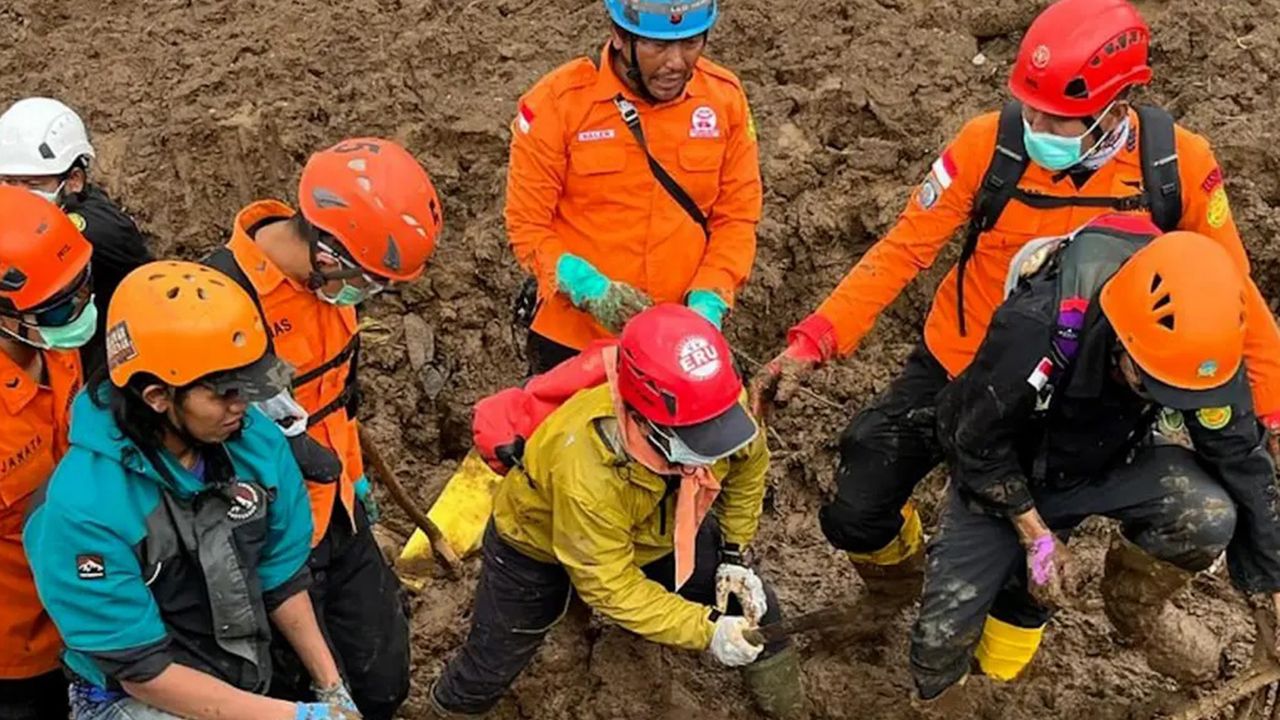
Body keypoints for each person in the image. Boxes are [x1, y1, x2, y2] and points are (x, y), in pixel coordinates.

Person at [748, 0, 1280, 629]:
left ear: (1116, 109)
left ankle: (1009, 653)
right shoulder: (988, 146)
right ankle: (895, 587)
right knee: (858, 499)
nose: (1036, 127)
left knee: (1030, 571)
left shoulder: (1174, 167)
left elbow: (1232, 292)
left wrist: (1273, 410)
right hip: (960, 360)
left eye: (1057, 118)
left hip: (1080, 393)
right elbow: (901, 251)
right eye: (1030, 108)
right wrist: (814, 342)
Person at [910, 218, 1280, 700]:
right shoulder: (1035, 329)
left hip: (1108, 462)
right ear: (1123, 337)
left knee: (1208, 514)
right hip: (1005, 473)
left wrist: (1272, 588)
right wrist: (1037, 535)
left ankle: (1128, 602)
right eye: (1150, 382)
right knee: (939, 642)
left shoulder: (1201, 353)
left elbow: (1241, 458)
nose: (1162, 397)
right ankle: (952, 697)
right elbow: (973, 441)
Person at [430, 305, 804, 718]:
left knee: (756, 608)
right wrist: (707, 630)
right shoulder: (587, 468)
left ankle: (790, 712)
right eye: (700, 440)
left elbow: (749, 464)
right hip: (535, 543)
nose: (713, 453)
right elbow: (610, 584)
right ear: (645, 420)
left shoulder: (715, 401)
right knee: (493, 660)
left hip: (658, 524)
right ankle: (450, 709)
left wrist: (733, 554)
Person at [23, 260, 360, 719]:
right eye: (224, 393)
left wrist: (331, 689)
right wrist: (297, 717)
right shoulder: (85, 510)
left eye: (246, 386)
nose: (242, 406)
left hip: (234, 662)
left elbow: (280, 574)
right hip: (136, 696)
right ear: (158, 397)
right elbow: (142, 669)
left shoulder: (255, 444)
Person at [201, 137, 443, 720]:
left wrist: (354, 481)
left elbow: (338, 398)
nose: (372, 295)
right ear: (330, 252)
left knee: (382, 680)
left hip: (339, 510)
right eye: (372, 281)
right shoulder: (222, 302)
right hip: (270, 535)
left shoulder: (333, 290)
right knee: (297, 690)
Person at [506, 0, 762, 374]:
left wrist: (709, 298)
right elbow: (527, 227)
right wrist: (587, 288)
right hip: (574, 342)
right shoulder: (557, 103)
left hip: (678, 345)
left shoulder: (724, 100)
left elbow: (736, 218)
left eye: (691, 43)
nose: (676, 62)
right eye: (658, 46)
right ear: (619, 36)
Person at [0, 187, 97, 719]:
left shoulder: (53, 343)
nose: (80, 312)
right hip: (14, 649)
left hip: (81, 614)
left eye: (82, 289)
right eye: (62, 306)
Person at [0, 97, 153, 376]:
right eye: (9, 181)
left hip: (106, 349)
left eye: (33, 184)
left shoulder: (98, 228)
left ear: (73, 180)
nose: (20, 195)